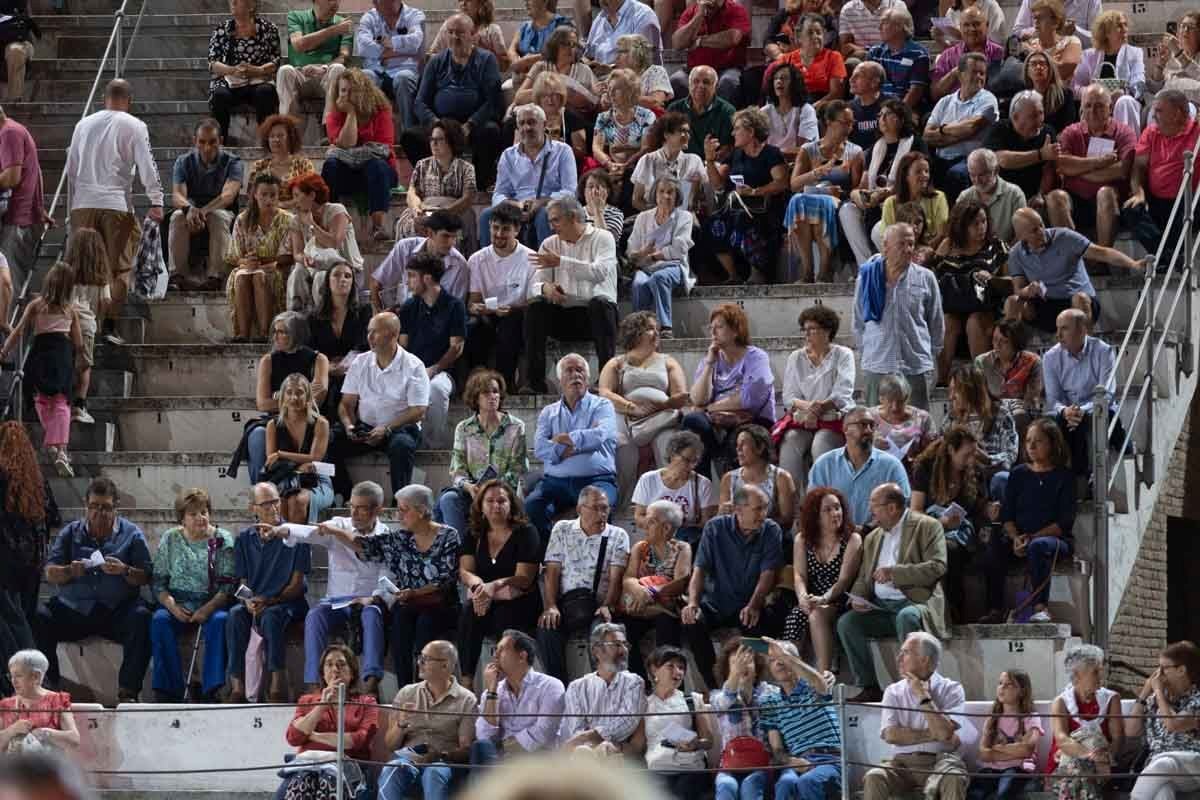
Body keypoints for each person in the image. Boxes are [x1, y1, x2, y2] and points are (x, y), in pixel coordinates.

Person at [326, 485, 462, 688]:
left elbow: (447, 578)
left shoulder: (448, 536)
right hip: (409, 603)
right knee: (399, 623)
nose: (399, 515)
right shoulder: (401, 538)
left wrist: (415, 592)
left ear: (422, 510)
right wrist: (336, 531)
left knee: (425, 624)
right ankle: (406, 689)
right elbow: (365, 546)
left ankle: (424, 686)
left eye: (404, 510)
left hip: (440, 604)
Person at [263, 481, 389, 698]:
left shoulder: (386, 535)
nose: (355, 513)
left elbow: (387, 577)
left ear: (378, 510)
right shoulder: (339, 523)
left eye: (362, 508)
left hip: (367, 600)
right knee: (315, 615)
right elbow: (309, 533)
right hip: (337, 601)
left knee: (372, 614)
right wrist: (280, 530)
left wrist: (374, 598)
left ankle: (370, 682)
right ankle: (314, 684)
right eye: (352, 506)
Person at [32, 478, 150, 703]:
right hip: (75, 610)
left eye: (106, 507)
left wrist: (125, 570)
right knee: (39, 617)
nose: (99, 513)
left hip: (116, 610)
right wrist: (69, 571)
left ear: (116, 507)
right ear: (86, 506)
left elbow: (146, 576)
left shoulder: (131, 534)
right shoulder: (70, 532)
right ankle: (49, 688)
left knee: (142, 617)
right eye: (94, 507)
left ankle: (128, 691)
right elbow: (50, 572)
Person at [63, 79, 164, 335]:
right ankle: (109, 325)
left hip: (82, 203)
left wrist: (74, 207)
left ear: (103, 98)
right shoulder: (134, 125)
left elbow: (71, 169)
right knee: (120, 267)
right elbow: (147, 165)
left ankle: (76, 323)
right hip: (116, 204)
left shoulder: (82, 124)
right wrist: (156, 199)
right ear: (129, 101)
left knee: (81, 265)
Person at [836, 484, 948, 702]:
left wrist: (896, 573)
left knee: (907, 617)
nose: (871, 513)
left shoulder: (928, 526)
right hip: (881, 606)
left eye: (875, 506)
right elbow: (863, 578)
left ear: (893, 508)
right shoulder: (873, 537)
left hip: (916, 602)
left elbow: (937, 566)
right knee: (847, 623)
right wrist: (858, 598)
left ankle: (915, 685)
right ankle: (869, 685)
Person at [682, 485, 782, 689]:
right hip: (715, 602)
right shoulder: (715, 528)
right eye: (758, 509)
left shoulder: (771, 530)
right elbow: (699, 569)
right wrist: (692, 603)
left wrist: (754, 604)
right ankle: (714, 687)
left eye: (765, 508)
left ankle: (753, 689)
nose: (763, 514)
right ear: (738, 509)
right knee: (692, 622)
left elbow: (768, 573)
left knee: (759, 625)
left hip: (748, 603)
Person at [980, 417, 1073, 624]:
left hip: (1053, 539)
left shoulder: (1064, 477)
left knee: (1038, 546)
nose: (1030, 445)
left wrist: (1032, 538)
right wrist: (1014, 537)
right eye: (1028, 440)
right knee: (995, 541)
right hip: (1020, 537)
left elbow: (1064, 522)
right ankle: (994, 608)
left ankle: (1041, 607)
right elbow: (1008, 515)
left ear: (1052, 444)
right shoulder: (1018, 474)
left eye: (1038, 441)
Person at [523, 197, 619, 395]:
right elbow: (533, 286)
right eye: (550, 221)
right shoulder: (549, 244)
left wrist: (561, 262)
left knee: (600, 304)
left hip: (596, 318)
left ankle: (606, 380)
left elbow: (599, 272)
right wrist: (545, 289)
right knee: (535, 308)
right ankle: (535, 382)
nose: (551, 227)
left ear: (573, 217)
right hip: (564, 315)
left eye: (556, 220)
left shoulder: (603, 238)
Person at [224, 482, 309, 703]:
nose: (273, 508)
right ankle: (237, 686)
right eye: (266, 504)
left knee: (272, 616)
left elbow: (297, 585)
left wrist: (270, 600)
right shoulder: (244, 539)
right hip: (257, 601)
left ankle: (276, 683)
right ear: (253, 508)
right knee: (234, 615)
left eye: (275, 501)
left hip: (286, 602)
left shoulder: (295, 535)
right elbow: (241, 583)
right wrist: (247, 602)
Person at [149, 488, 235, 703]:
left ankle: (211, 689)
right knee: (159, 621)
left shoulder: (222, 539)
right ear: (182, 519)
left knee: (221, 622)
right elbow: (158, 583)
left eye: (204, 512)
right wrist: (173, 607)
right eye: (193, 514)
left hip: (212, 603)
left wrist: (206, 609)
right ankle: (169, 691)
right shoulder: (171, 539)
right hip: (177, 603)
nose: (201, 518)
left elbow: (228, 586)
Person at [536, 486, 630, 682]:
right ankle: (559, 687)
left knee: (604, 633)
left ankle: (602, 686)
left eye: (605, 508)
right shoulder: (562, 528)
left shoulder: (618, 535)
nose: (602, 513)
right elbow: (552, 570)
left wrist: (607, 604)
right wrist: (551, 605)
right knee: (547, 629)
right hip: (568, 602)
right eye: (596, 508)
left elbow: (616, 577)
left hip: (598, 604)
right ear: (580, 509)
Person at [1004, 208, 1146, 333]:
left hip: (1077, 300)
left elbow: (1101, 253)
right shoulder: (1016, 254)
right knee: (1013, 302)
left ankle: (1088, 350)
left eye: (1041, 225)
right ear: (1021, 236)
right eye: (1034, 230)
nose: (1041, 231)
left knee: (1080, 299)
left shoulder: (1065, 237)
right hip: (1047, 304)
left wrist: (1133, 264)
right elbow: (1018, 289)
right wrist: (1028, 290)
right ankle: (1014, 356)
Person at [862, 632, 968, 800]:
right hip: (901, 764)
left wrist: (922, 695)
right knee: (875, 776)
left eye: (905, 652)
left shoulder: (952, 689)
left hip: (940, 762)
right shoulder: (893, 691)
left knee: (954, 777)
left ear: (924, 659)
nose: (899, 658)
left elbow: (944, 734)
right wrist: (934, 733)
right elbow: (891, 735)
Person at [335, 312, 429, 496]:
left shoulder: (414, 366)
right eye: (369, 331)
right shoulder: (360, 362)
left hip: (400, 428)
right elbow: (346, 404)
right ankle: (343, 495)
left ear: (393, 335)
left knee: (401, 446)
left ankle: (400, 501)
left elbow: (419, 411)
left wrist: (386, 428)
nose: (369, 337)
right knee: (330, 440)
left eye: (375, 332)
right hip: (365, 426)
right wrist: (350, 426)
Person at [456, 481, 540, 687]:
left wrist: (494, 585)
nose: (496, 505)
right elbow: (465, 570)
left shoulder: (526, 532)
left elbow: (524, 578)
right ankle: (466, 682)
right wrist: (478, 585)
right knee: (468, 612)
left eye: (502, 500)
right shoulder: (474, 533)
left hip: (520, 600)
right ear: (481, 506)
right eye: (490, 501)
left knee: (504, 615)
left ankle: (506, 683)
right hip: (485, 599)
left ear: (511, 504)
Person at [853, 223, 944, 411]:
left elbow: (936, 321)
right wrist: (869, 353)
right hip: (877, 364)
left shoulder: (926, 277)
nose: (908, 249)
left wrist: (930, 355)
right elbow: (858, 321)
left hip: (915, 365)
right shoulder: (866, 278)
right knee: (877, 427)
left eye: (911, 244)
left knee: (916, 426)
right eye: (901, 244)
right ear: (886, 246)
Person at [599, 311, 689, 501]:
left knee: (667, 444)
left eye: (657, 329)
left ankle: (667, 504)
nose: (656, 333)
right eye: (650, 329)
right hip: (625, 416)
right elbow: (605, 392)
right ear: (635, 332)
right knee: (623, 446)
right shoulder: (616, 363)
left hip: (660, 417)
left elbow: (680, 395)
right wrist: (632, 407)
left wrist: (662, 405)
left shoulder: (668, 361)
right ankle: (624, 503)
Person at [0, 263, 79, 478]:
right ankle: (61, 449)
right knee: (62, 402)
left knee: (40, 399)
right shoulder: (70, 310)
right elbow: (78, 342)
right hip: (61, 356)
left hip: (40, 354)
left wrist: (4, 352)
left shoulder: (36, 306)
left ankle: (53, 443)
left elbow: (18, 331)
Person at [682, 303, 777, 482]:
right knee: (692, 422)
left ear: (735, 330)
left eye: (719, 326)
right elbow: (696, 398)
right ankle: (703, 488)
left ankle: (738, 495)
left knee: (738, 438)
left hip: (752, 419)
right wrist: (710, 363)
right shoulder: (711, 358)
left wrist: (709, 407)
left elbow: (749, 399)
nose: (713, 332)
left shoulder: (756, 357)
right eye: (711, 328)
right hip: (716, 421)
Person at [413, 14, 504, 191]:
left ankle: (477, 184)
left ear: (473, 34)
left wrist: (470, 125)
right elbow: (420, 101)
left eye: (460, 32)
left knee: (491, 132)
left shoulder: (487, 60)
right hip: (441, 121)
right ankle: (432, 181)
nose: (454, 37)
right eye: (451, 32)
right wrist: (436, 124)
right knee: (411, 136)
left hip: (474, 122)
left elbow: (493, 100)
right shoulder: (436, 61)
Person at [909, 425, 991, 620]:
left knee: (950, 549)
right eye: (966, 455)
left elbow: (980, 509)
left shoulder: (974, 471)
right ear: (951, 450)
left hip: (961, 533)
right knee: (941, 549)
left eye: (974, 453)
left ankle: (955, 612)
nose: (971, 460)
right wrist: (941, 523)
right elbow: (915, 511)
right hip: (930, 527)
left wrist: (990, 511)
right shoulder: (926, 468)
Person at [378, 640, 476, 800]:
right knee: (393, 767)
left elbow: (466, 750)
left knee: (434, 772)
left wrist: (439, 755)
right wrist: (400, 724)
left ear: (445, 665)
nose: (419, 663)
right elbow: (390, 745)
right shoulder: (406, 693)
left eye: (425, 659)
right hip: (408, 760)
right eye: (419, 658)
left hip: (443, 762)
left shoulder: (466, 699)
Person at [439, 369, 529, 543]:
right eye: (486, 392)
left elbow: (518, 468)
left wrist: (493, 490)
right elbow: (457, 470)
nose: (492, 396)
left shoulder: (516, 426)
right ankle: (461, 551)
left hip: (505, 491)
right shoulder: (464, 428)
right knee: (449, 499)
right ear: (475, 397)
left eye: (495, 391)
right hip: (473, 492)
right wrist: (470, 487)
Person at [279, 644, 379, 797]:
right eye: (329, 664)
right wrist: (322, 706)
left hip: (348, 767)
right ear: (323, 673)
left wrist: (313, 735)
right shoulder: (307, 701)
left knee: (330, 781)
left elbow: (359, 740)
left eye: (341, 664)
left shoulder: (367, 702)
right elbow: (294, 737)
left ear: (352, 672)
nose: (335, 669)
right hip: (309, 766)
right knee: (301, 781)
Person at [703, 106, 790, 284]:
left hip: (767, 208)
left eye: (737, 129)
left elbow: (781, 182)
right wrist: (710, 161)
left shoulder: (771, 153)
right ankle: (733, 274)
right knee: (713, 222)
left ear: (751, 132)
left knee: (746, 219)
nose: (733, 133)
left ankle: (757, 272)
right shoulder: (736, 155)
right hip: (739, 206)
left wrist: (755, 191)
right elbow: (718, 183)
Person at [0, 423, 55, 698]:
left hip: (6, 564)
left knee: (13, 626)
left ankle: (30, 685)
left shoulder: (1, 476)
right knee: (22, 622)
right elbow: (53, 517)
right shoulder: (38, 479)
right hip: (33, 565)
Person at [243, 311, 330, 484]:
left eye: (282, 332)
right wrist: (300, 396)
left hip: (310, 419)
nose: (276, 336)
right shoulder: (268, 360)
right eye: (275, 331)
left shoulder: (319, 359)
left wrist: (278, 396)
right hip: (278, 419)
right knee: (257, 435)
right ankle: (261, 492)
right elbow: (262, 403)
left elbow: (318, 399)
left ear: (296, 334)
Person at [929, 198, 1008, 384]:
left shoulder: (996, 246)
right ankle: (941, 380)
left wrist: (992, 279)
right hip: (954, 308)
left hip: (985, 308)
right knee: (948, 320)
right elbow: (934, 277)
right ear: (962, 226)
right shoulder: (948, 245)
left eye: (984, 221)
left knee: (974, 320)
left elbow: (1011, 282)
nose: (981, 227)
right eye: (975, 224)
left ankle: (982, 381)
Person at [1048, 84, 1136, 249]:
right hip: (1075, 197)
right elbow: (1062, 164)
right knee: (1055, 197)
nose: (1093, 111)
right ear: (1081, 109)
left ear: (1109, 108)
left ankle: (1103, 259)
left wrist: (1077, 170)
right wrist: (1100, 162)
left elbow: (1122, 169)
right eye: (1088, 105)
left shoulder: (1124, 133)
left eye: (1099, 106)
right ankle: (1075, 256)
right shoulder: (1071, 132)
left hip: (1110, 200)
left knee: (1105, 193)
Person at [784, 488, 862, 673]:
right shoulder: (802, 539)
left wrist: (824, 598)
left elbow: (844, 580)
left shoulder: (852, 539)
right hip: (812, 598)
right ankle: (791, 679)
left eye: (837, 508)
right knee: (795, 617)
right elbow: (799, 576)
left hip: (838, 598)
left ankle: (823, 678)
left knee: (817, 613)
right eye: (828, 510)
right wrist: (803, 597)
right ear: (815, 515)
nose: (835, 513)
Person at [787, 101, 865, 283]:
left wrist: (840, 193)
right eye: (844, 123)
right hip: (811, 199)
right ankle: (807, 271)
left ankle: (824, 270)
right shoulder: (808, 150)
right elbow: (794, 184)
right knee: (798, 200)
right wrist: (816, 173)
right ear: (829, 122)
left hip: (839, 201)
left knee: (821, 204)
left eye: (851, 123)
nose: (849, 128)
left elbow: (856, 188)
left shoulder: (855, 152)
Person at [395, 254, 466, 450]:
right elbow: (402, 346)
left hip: (444, 372)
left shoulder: (454, 306)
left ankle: (432, 447)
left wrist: (433, 369)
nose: (408, 282)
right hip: (413, 370)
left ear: (426, 278)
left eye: (411, 276)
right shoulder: (409, 307)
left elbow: (456, 347)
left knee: (436, 389)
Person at [485, 103, 578, 250]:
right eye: (522, 123)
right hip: (517, 207)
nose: (526, 128)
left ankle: (547, 267)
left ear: (544, 124)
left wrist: (540, 203)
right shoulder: (508, 155)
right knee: (487, 215)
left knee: (544, 215)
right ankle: (492, 265)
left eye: (531, 122)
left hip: (549, 205)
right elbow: (499, 194)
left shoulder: (563, 151)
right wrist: (515, 205)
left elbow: (570, 192)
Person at [840, 98, 921, 264]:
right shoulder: (876, 147)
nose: (881, 119)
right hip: (874, 203)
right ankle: (867, 266)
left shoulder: (915, 144)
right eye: (880, 115)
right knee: (847, 210)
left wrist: (883, 194)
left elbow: (914, 183)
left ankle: (892, 266)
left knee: (879, 230)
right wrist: (858, 195)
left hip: (901, 202)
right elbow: (863, 184)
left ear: (901, 118)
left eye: (888, 114)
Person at [617, 500, 691, 681]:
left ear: (666, 528)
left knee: (667, 623)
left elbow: (680, 581)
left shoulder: (682, 548)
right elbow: (628, 578)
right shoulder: (640, 548)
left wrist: (649, 593)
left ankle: (670, 684)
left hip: (665, 606)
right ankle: (639, 683)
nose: (644, 525)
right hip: (642, 605)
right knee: (623, 628)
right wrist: (638, 591)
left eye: (650, 521)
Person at [761, 638, 842, 800]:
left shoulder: (813, 685)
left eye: (783, 658)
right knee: (785, 784)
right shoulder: (770, 701)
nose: (779, 663)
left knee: (808, 781)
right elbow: (777, 750)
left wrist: (786, 656)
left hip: (829, 760)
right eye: (773, 660)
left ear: (796, 661)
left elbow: (820, 682)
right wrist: (791, 762)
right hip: (796, 762)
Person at [166, 119, 242, 292]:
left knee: (218, 217)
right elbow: (177, 195)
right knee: (177, 217)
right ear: (195, 141)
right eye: (202, 142)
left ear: (220, 141)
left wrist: (202, 212)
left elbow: (228, 196)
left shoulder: (233, 162)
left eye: (212, 142)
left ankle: (216, 276)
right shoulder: (183, 161)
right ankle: (177, 276)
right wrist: (189, 210)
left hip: (222, 211)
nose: (207, 147)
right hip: (192, 211)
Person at [464, 204, 534, 389]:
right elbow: (473, 302)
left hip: (517, 314)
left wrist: (512, 310)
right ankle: (475, 384)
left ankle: (506, 382)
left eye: (505, 229)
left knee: (512, 323)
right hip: (488, 314)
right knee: (474, 325)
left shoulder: (530, 259)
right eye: (495, 228)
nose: (499, 234)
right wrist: (481, 308)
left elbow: (533, 302)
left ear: (517, 230)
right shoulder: (477, 259)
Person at [322, 68, 396, 241]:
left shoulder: (381, 111)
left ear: (363, 91)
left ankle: (378, 226)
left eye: (352, 90)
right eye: (343, 91)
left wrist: (345, 152)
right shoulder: (334, 115)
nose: (347, 95)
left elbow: (382, 150)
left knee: (376, 165)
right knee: (330, 166)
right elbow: (347, 142)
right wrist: (351, 113)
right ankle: (331, 221)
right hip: (349, 174)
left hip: (380, 173)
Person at [472, 629, 565, 764]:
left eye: (501, 650)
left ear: (522, 657)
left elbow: (543, 733)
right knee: (479, 748)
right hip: (500, 761)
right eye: (495, 650)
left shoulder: (550, 686)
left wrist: (502, 748)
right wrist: (492, 692)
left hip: (538, 760)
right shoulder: (493, 690)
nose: (495, 655)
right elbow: (484, 736)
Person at [224, 173, 295, 343]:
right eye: (264, 195)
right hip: (248, 267)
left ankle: (265, 333)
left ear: (279, 196)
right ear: (255, 195)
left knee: (259, 276)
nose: (268, 200)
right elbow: (234, 256)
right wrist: (246, 262)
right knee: (241, 276)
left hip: (276, 269)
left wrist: (261, 263)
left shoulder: (288, 220)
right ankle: (242, 333)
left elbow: (287, 256)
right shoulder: (243, 219)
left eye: (273, 195)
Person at [1125, 641, 1200, 800]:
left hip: (1191, 765)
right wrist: (1145, 692)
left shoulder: (1196, 700)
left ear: (1181, 670)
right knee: (1162, 792)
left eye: (1164, 668)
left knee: (1163, 764)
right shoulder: (1155, 700)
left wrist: (1158, 691)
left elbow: (1173, 725)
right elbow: (1131, 731)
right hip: (1156, 766)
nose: (1158, 674)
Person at [1126, 90, 1200, 251]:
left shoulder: (1197, 132)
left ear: (1177, 114)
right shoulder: (1151, 132)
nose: (1154, 116)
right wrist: (1138, 193)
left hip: (1186, 202)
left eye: (1159, 111)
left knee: (1185, 211)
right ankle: (1165, 257)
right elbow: (1138, 167)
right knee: (1131, 209)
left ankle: (1166, 258)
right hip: (1156, 200)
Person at [1047, 644, 1124, 798]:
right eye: (1095, 672)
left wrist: (1103, 757)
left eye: (1101, 671)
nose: (1100, 676)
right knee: (1080, 770)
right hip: (1065, 765)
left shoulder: (1111, 699)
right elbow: (1062, 740)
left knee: (1082, 765)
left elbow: (1117, 739)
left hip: (1102, 764)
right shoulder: (1061, 702)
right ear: (1076, 676)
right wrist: (1090, 756)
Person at [708, 640, 780, 799]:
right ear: (727, 670)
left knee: (751, 785)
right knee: (726, 785)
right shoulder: (717, 696)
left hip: (762, 764)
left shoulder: (770, 693)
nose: (742, 666)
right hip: (730, 764)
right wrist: (735, 673)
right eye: (735, 663)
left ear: (756, 667)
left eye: (747, 661)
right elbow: (726, 700)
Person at [640, 645, 714, 797]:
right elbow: (638, 744)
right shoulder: (643, 704)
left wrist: (696, 743)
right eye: (670, 666)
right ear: (654, 670)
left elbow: (709, 741)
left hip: (689, 768)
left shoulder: (692, 700)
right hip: (657, 768)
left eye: (681, 667)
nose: (678, 672)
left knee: (683, 791)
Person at [557, 622, 644, 752]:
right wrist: (589, 744)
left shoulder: (634, 682)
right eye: (617, 645)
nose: (624, 650)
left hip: (618, 754)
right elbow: (575, 729)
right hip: (584, 753)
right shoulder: (577, 687)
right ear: (596, 650)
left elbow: (627, 722)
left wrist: (590, 735)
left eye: (625, 644)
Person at [924, 53, 998, 203]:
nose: (979, 77)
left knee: (956, 175)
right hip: (941, 158)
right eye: (974, 72)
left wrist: (942, 130)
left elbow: (970, 127)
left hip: (970, 159)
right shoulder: (945, 101)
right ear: (960, 75)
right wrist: (955, 132)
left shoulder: (988, 100)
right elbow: (927, 135)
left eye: (982, 73)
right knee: (917, 171)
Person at [394, 119, 478, 252]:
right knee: (407, 223)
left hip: (452, 211)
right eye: (432, 139)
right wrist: (416, 210)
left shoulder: (466, 168)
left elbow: (468, 198)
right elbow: (412, 192)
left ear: (452, 141)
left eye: (439, 139)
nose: (434, 143)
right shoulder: (422, 165)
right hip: (425, 209)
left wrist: (444, 213)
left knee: (455, 223)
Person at [626, 178, 695, 334]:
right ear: (655, 195)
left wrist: (655, 256)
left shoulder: (684, 217)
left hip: (673, 266)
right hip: (645, 267)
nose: (666, 196)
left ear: (677, 196)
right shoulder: (643, 217)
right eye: (661, 192)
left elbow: (679, 249)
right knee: (639, 283)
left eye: (670, 192)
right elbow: (632, 250)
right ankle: (641, 328)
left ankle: (665, 327)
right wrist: (643, 253)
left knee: (659, 277)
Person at [287, 172, 362, 314]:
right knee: (297, 270)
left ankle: (324, 319)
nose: (294, 201)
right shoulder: (296, 220)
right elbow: (297, 253)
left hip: (346, 267)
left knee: (322, 277)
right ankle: (296, 315)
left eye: (297, 195)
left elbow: (334, 243)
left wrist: (311, 224)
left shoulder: (336, 210)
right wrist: (304, 259)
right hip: (314, 265)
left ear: (312, 195)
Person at [206, 0, 280, 142]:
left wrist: (257, 70)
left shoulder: (269, 28)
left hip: (258, 79)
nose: (232, 2)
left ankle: (266, 142)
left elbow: (275, 61)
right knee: (219, 95)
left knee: (265, 92)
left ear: (251, 5)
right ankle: (221, 143)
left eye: (238, 0)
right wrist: (233, 70)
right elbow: (213, 62)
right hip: (230, 80)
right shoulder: (222, 29)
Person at [264, 373, 334, 524]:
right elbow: (271, 462)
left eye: (300, 392)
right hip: (284, 479)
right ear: (282, 397)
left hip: (316, 480)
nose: (294, 397)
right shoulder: (273, 425)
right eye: (289, 392)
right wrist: (299, 466)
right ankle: (285, 547)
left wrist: (281, 454)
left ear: (308, 396)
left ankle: (300, 547)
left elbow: (315, 458)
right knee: (279, 502)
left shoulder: (321, 423)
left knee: (298, 500)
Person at [631, 430, 717, 549]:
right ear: (672, 455)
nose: (692, 466)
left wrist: (677, 527)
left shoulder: (703, 484)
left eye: (695, 461)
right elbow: (639, 517)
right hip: (654, 542)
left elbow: (707, 524)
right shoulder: (648, 479)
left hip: (687, 544)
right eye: (687, 460)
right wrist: (659, 527)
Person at [307, 262, 370, 417]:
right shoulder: (313, 317)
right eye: (337, 275)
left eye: (347, 276)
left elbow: (363, 345)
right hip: (323, 373)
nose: (342, 279)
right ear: (328, 281)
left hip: (354, 371)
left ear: (352, 283)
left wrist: (345, 365)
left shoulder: (364, 311)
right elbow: (309, 349)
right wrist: (326, 367)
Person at [371, 211, 469, 312]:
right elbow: (377, 282)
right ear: (430, 233)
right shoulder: (405, 248)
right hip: (403, 315)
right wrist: (378, 311)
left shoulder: (460, 265)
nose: (451, 243)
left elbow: (455, 310)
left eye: (454, 237)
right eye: (446, 236)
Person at [969, 669, 1042, 800]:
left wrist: (997, 748)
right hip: (991, 769)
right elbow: (984, 754)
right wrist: (1015, 750)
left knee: (1004, 794)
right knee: (974, 794)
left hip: (1018, 768)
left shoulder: (1030, 717)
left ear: (1022, 691)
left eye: (1009, 685)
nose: (1002, 687)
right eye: (1000, 683)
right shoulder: (992, 719)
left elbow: (1027, 750)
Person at [0, 106, 50, 295]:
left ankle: (8, 324)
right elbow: (32, 171)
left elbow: (12, 177)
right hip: (20, 217)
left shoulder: (9, 133)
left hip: (17, 221)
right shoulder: (12, 130)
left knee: (8, 283)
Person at [354, 0, 425, 129]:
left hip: (406, 69)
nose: (376, 4)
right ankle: (368, 134)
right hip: (375, 70)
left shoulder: (414, 15)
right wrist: (398, 52)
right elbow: (363, 46)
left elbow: (415, 41)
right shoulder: (369, 17)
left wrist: (390, 42)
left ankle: (409, 133)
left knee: (403, 78)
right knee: (364, 77)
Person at [1073, 11, 1146, 136]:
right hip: (1098, 102)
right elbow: (1075, 87)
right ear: (1106, 33)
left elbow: (1139, 83)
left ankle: (1128, 146)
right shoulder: (1089, 55)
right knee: (1094, 105)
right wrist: (1095, 94)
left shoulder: (1135, 53)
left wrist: (1125, 92)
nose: (1125, 30)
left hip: (1125, 102)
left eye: (1125, 25)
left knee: (1124, 101)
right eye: (1119, 26)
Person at [276, 0, 349, 121]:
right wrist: (333, 30)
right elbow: (299, 45)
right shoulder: (295, 16)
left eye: (338, 0)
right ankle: (288, 129)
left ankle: (330, 129)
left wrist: (323, 68)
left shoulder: (343, 22)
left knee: (338, 68)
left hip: (326, 77)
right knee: (284, 70)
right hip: (300, 75)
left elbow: (343, 56)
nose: (335, 4)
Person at [593, 69, 658, 201]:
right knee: (593, 179)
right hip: (611, 165)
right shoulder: (604, 118)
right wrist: (609, 164)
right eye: (609, 89)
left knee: (630, 177)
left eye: (616, 89)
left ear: (630, 91)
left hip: (638, 166)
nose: (610, 94)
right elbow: (596, 147)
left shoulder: (646, 116)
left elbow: (646, 148)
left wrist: (626, 165)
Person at [668, 0, 751, 104]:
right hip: (694, 70)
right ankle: (684, 120)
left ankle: (723, 119)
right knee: (676, 80)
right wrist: (699, 15)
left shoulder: (736, 9)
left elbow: (732, 38)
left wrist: (699, 41)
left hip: (726, 69)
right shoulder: (692, 11)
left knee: (728, 82)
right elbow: (678, 43)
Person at [719, 425, 797, 534]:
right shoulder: (728, 478)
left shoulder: (781, 478)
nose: (738, 449)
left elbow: (787, 521)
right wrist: (723, 512)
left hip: (770, 538)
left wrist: (754, 523)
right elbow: (723, 520)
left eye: (743, 444)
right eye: (737, 445)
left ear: (760, 448)